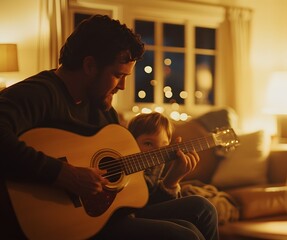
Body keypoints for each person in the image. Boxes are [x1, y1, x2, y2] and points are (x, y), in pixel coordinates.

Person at [0, 14, 218, 240]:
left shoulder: (104, 111)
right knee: (185, 236)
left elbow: (129, 196)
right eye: (117, 75)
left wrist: (171, 181)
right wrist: (63, 173)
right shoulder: (39, 94)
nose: (122, 86)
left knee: (202, 209)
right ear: (90, 65)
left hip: (106, 216)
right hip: (56, 224)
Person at [125, 111, 219, 240]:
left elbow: (154, 202)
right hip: (127, 213)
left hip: (144, 210)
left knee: (204, 207)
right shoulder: (124, 162)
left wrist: (173, 181)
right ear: (130, 141)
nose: (156, 153)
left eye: (163, 146)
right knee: (189, 233)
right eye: (148, 143)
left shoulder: (158, 165)